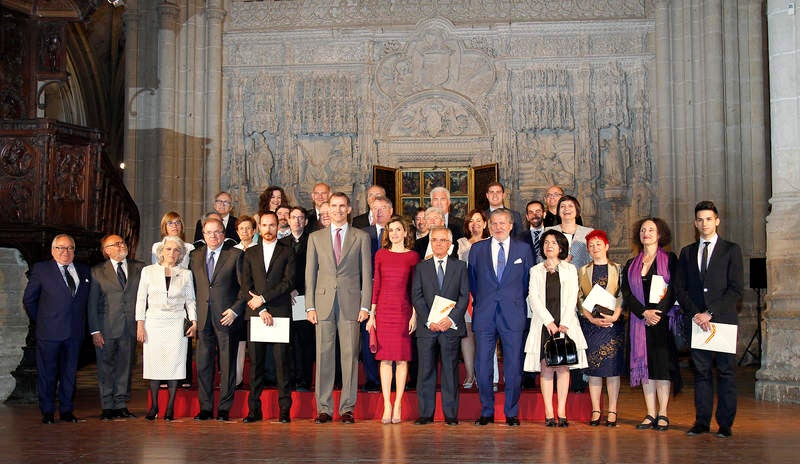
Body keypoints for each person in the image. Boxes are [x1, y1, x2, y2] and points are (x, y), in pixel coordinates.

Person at [676, 201, 744, 439]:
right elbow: (680, 288)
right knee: (702, 373)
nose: (704, 223)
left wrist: (710, 313)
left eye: (708, 219)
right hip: (697, 323)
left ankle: (725, 424)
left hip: (722, 320)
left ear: (716, 221)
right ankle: (701, 422)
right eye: (700, 219)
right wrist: (696, 313)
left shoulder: (731, 250)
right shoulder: (687, 252)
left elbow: (736, 290)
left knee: (725, 372)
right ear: (695, 223)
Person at [306, 192, 372, 424]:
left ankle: (347, 408)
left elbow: (367, 274)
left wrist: (365, 305)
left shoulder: (361, 237)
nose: (337, 210)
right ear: (328, 209)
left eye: (342, 206)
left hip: (351, 303)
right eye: (334, 206)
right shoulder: (315, 237)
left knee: (349, 356)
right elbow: (310, 273)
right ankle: (323, 408)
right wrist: (309, 306)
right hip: (323, 303)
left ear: (349, 209)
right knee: (323, 355)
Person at [468, 209, 534, 426]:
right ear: (489, 225)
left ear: (511, 225)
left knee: (514, 365)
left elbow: (527, 283)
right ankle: (486, 411)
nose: (498, 227)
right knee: (483, 364)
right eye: (494, 223)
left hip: (513, 314)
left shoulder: (523, 249)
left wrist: (511, 300)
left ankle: (511, 412)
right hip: (485, 314)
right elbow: (473, 281)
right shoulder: (477, 249)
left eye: (502, 223)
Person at [23, 234, 91, 424]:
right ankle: (47, 412)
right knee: (48, 374)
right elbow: (29, 300)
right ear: (53, 251)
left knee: (69, 375)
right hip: (49, 334)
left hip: (74, 334)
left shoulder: (84, 271)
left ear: (74, 251)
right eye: (60, 248)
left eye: (69, 248)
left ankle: (67, 411)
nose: (65, 252)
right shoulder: (42, 270)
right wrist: (42, 321)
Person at [524, 229, 589, 427]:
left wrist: (564, 323)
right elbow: (533, 298)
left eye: (553, 242)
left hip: (565, 324)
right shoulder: (535, 270)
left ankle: (561, 410)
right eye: (546, 243)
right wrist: (548, 321)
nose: (549, 246)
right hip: (544, 324)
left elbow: (572, 297)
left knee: (563, 367)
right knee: (546, 368)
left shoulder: (569, 269)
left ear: (561, 247)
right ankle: (549, 413)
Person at [621, 217, 680, 432]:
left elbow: (674, 288)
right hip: (640, 321)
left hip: (662, 322)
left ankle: (663, 413)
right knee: (645, 368)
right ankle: (650, 412)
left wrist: (658, 313)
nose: (646, 233)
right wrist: (643, 312)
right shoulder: (631, 264)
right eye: (643, 230)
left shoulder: (670, 259)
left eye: (651, 230)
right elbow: (626, 293)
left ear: (660, 234)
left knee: (661, 368)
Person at [240, 212, 296, 423]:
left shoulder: (288, 251)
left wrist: (263, 298)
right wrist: (261, 308)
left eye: (272, 225)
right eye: (264, 225)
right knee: (256, 365)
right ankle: (254, 411)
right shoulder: (250, 253)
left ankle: (284, 411)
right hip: (256, 314)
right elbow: (245, 286)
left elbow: (288, 282)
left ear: (277, 226)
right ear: (258, 228)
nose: (268, 229)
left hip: (280, 312)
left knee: (282, 364)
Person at [411, 226, 469, 426]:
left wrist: (450, 319)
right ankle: (426, 413)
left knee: (450, 371)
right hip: (427, 328)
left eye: (443, 240)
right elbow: (416, 297)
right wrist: (429, 320)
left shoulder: (460, 267)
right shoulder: (420, 267)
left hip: (450, 327)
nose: (438, 243)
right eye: (434, 240)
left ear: (450, 244)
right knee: (425, 370)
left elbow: (463, 296)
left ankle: (451, 415)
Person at [189, 218, 245, 421]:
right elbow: (191, 288)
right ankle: (205, 407)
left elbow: (244, 288)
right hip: (203, 318)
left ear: (224, 234)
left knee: (227, 364)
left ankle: (224, 408)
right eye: (209, 232)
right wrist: (192, 316)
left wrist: (235, 310)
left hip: (226, 318)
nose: (213, 236)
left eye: (217, 232)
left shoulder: (236, 255)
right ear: (203, 235)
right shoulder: (194, 256)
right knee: (203, 365)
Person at [135, 236, 197, 421]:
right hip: (153, 322)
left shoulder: (186, 273)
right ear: (161, 251)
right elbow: (140, 299)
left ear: (181, 254)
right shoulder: (148, 271)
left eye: (176, 250)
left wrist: (193, 322)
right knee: (154, 364)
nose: (172, 253)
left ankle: (170, 407)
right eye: (168, 249)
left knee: (174, 364)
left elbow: (190, 300)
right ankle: (154, 406)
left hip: (177, 322)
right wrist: (140, 324)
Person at [366, 216, 419, 423]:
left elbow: (415, 288)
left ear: (406, 233)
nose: (395, 234)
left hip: (403, 310)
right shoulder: (381, 254)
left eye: (398, 229)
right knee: (385, 359)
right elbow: (376, 285)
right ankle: (387, 404)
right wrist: (372, 314)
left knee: (402, 359)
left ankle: (398, 405)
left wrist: (414, 314)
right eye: (391, 230)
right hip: (384, 311)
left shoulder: (413, 257)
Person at [88, 235, 145, 420]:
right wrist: (95, 330)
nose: (121, 246)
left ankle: (120, 404)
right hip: (106, 328)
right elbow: (92, 304)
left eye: (122, 242)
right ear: (106, 250)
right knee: (105, 368)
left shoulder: (139, 268)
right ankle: (107, 406)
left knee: (125, 367)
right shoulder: (97, 271)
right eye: (116, 244)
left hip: (130, 327)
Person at [577, 230, 624, 427]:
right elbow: (579, 297)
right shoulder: (582, 270)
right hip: (591, 326)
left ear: (606, 246)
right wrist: (590, 318)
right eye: (591, 245)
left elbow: (622, 294)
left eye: (598, 244)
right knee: (594, 369)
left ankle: (612, 410)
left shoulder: (618, 269)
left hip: (613, 325)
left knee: (612, 370)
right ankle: (596, 410)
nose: (595, 248)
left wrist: (616, 314)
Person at [361, 195, 395, 392]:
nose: (379, 212)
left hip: (392, 293)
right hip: (368, 292)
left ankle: (393, 379)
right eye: (375, 208)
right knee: (369, 336)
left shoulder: (399, 233)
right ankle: (373, 379)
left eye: (383, 208)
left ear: (391, 211)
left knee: (391, 336)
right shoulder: (363, 234)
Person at [280, 206, 315, 392]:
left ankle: (304, 379)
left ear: (306, 221)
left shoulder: (313, 241)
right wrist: (288, 290)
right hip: (285, 298)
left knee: (304, 340)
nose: (297, 221)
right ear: (288, 219)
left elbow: (314, 270)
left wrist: (299, 290)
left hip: (304, 297)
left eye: (301, 218)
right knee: (288, 340)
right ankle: (290, 378)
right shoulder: (282, 243)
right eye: (293, 217)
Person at [456, 209, 490, 389]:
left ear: (485, 224)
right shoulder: (460, 243)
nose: (475, 224)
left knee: (484, 333)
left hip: (486, 293)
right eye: (471, 221)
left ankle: (483, 373)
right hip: (466, 291)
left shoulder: (492, 242)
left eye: (479, 220)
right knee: (467, 333)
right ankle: (470, 374)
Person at [545, 195, 593, 269]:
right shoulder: (548, 231)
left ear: (577, 210)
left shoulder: (589, 232)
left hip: (581, 276)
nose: (566, 209)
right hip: (555, 275)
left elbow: (593, 258)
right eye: (562, 206)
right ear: (558, 211)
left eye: (570, 206)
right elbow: (541, 258)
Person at [518, 200, 545, 265]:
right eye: (531, 212)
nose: (534, 215)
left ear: (544, 214)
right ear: (527, 217)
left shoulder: (552, 235)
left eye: (537, 211)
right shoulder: (519, 238)